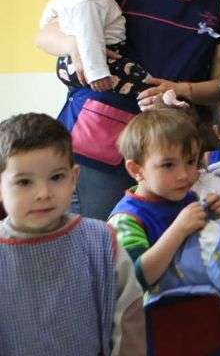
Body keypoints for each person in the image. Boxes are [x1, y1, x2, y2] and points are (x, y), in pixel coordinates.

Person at [36, 0, 220, 220]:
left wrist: (180, 88)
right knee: (94, 233)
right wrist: (74, 44)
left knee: (155, 245)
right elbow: (44, 35)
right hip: (99, 134)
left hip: (168, 145)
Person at [0, 113, 146, 356]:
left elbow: (128, 317)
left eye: (57, 177)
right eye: (24, 182)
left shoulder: (100, 240)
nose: (43, 193)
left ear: (73, 178)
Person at [108, 108, 220, 355]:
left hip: (212, 319)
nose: (184, 174)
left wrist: (217, 218)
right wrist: (178, 229)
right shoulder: (126, 219)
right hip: (164, 330)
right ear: (136, 170)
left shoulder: (188, 198)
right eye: (168, 165)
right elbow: (137, 278)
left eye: (191, 161)